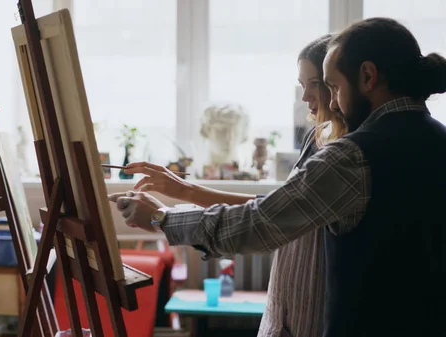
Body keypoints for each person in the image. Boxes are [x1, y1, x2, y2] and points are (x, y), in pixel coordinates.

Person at [109, 17, 446, 337]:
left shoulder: (354, 155)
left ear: (368, 76)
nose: (334, 103)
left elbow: (260, 222)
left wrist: (161, 218)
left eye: (333, 87)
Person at [111, 34, 344, 337]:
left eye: (315, 84)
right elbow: (276, 206)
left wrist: (164, 217)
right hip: (289, 306)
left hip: (311, 309)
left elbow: (267, 218)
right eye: (302, 85)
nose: (304, 97)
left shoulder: (345, 155)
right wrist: (185, 190)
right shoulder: (317, 138)